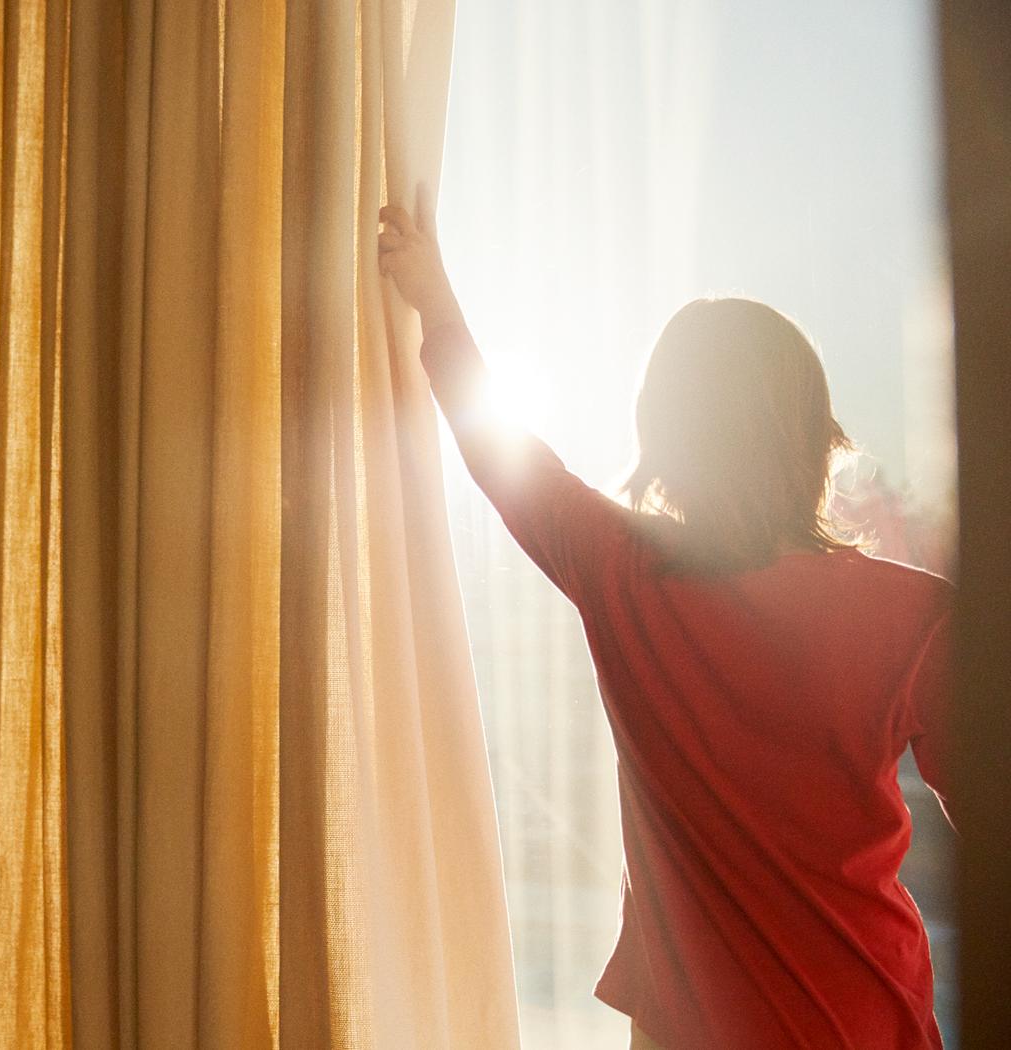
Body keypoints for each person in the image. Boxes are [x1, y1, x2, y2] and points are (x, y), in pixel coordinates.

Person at [378, 194, 955, 1050]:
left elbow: (502, 452)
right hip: (863, 1017)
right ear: (814, 436)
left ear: (664, 440)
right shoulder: (915, 614)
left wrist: (436, 300)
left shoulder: (624, 574)